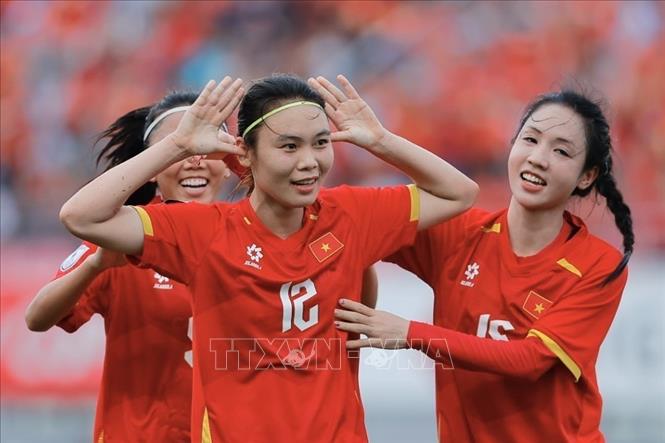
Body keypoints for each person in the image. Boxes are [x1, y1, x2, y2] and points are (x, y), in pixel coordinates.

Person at [58, 73, 478, 442]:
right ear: (245, 153)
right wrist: (177, 145)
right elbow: (81, 216)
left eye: (321, 143)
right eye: (289, 146)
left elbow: (459, 193)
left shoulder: (350, 215)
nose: (309, 162)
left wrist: (382, 141)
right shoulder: (202, 232)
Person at [334, 90, 634, 442]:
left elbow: (530, 360)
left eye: (561, 151)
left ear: (587, 176)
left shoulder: (598, 264)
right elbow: (356, 226)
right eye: (530, 139)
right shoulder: (459, 233)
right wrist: (381, 143)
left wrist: (411, 333)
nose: (538, 158)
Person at [24, 90, 232, 442]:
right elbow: (37, 318)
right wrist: (96, 266)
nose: (194, 160)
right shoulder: (125, 233)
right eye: (179, 148)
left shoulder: (252, 234)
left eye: (205, 147)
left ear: (227, 162)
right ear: (150, 167)